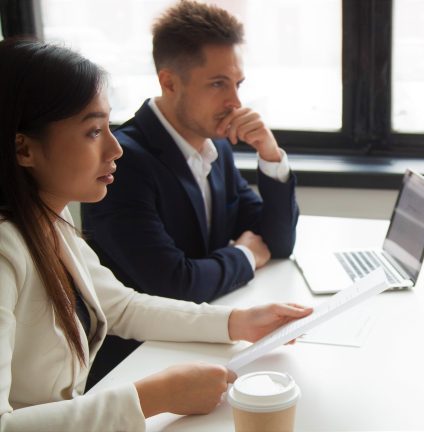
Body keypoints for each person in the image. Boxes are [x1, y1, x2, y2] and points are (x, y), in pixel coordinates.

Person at [0, 38, 312, 431]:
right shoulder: (5, 250)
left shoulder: (49, 223)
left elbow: (123, 308)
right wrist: (152, 398)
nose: (115, 148)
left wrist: (239, 322)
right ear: (23, 149)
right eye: (93, 131)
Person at [81, 0, 300, 384]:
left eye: (237, 84)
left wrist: (270, 153)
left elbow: (278, 242)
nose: (235, 102)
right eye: (218, 84)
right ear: (169, 82)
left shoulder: (216, 146)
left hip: (203, 336)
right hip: (137, 364)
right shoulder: (124, 162)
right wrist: (246, 255)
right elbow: (174, 286)